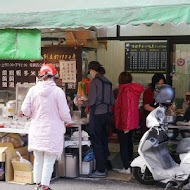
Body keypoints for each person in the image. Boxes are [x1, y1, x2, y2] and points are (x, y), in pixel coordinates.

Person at [21, 64, 72, 190]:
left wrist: (32, 114)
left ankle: (37, 184)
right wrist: (68, 120)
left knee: (38, 158)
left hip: (36, 129)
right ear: (54, 76)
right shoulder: (58, 92)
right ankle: (45, 186)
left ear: (40, 76)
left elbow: (24, 109)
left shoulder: (33, 90)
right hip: (52, 131)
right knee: (49, 159)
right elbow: (64, 113)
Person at [76, 61, 115, 178]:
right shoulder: (108, 82)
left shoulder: (94, 82)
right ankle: (106, 166)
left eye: (90, 72)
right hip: (107, 115)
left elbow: (92, 101)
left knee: (96, 142)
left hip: (97, 115)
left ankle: (101, 170)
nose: (91, 74)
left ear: (92, 70)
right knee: (104, 140)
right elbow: (113, 101)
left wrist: (82, 102)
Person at [114, 72, 143, 174]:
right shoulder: (133, 90)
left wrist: (125, 125)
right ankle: (130, 164)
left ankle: (126, 167)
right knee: (129, 143)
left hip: (125, 122)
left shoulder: (124, 91)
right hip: (132, 121)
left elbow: (125, 109)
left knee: (124, 145)